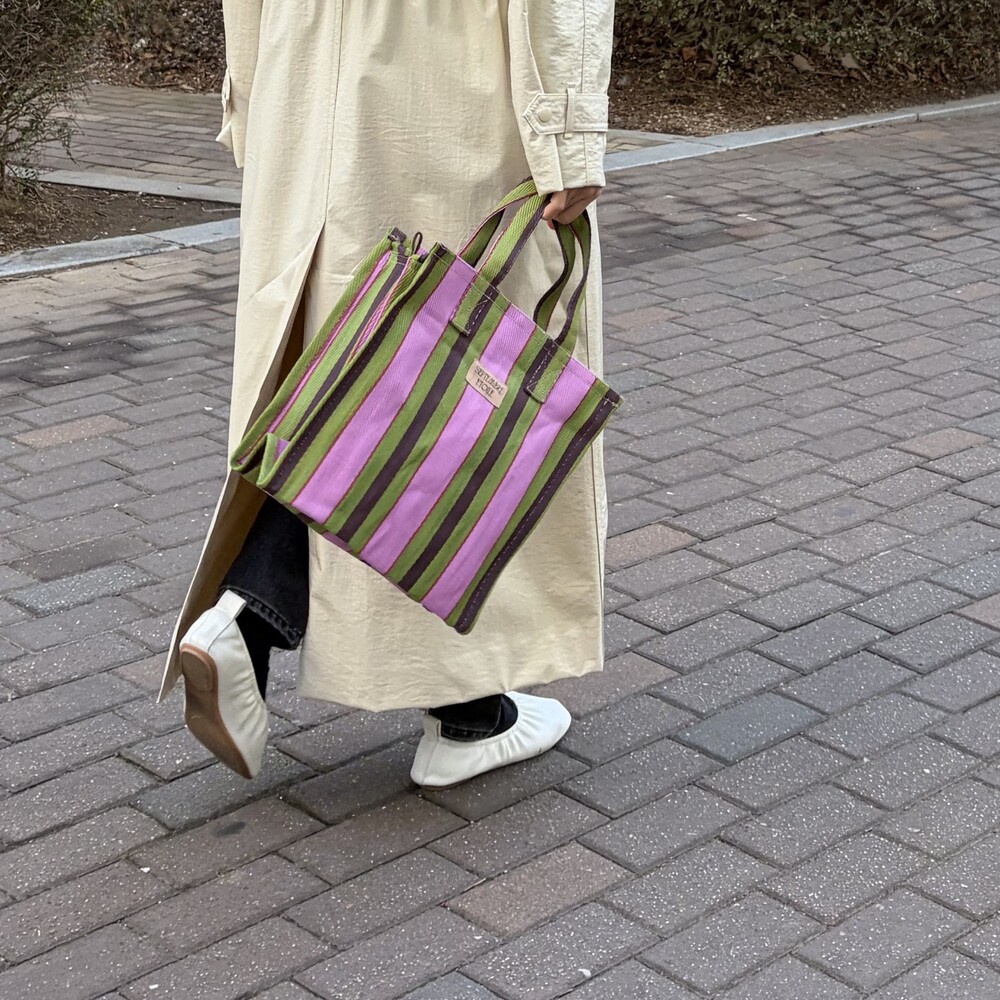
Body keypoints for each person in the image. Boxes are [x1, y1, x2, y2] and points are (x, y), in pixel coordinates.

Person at [158, 1, 615, 788]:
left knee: (363, 350)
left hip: (304, 61)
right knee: (458, 361)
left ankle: (272, 617)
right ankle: (279, 621)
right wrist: (570, 132)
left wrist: (254, 89)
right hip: (449, 71)